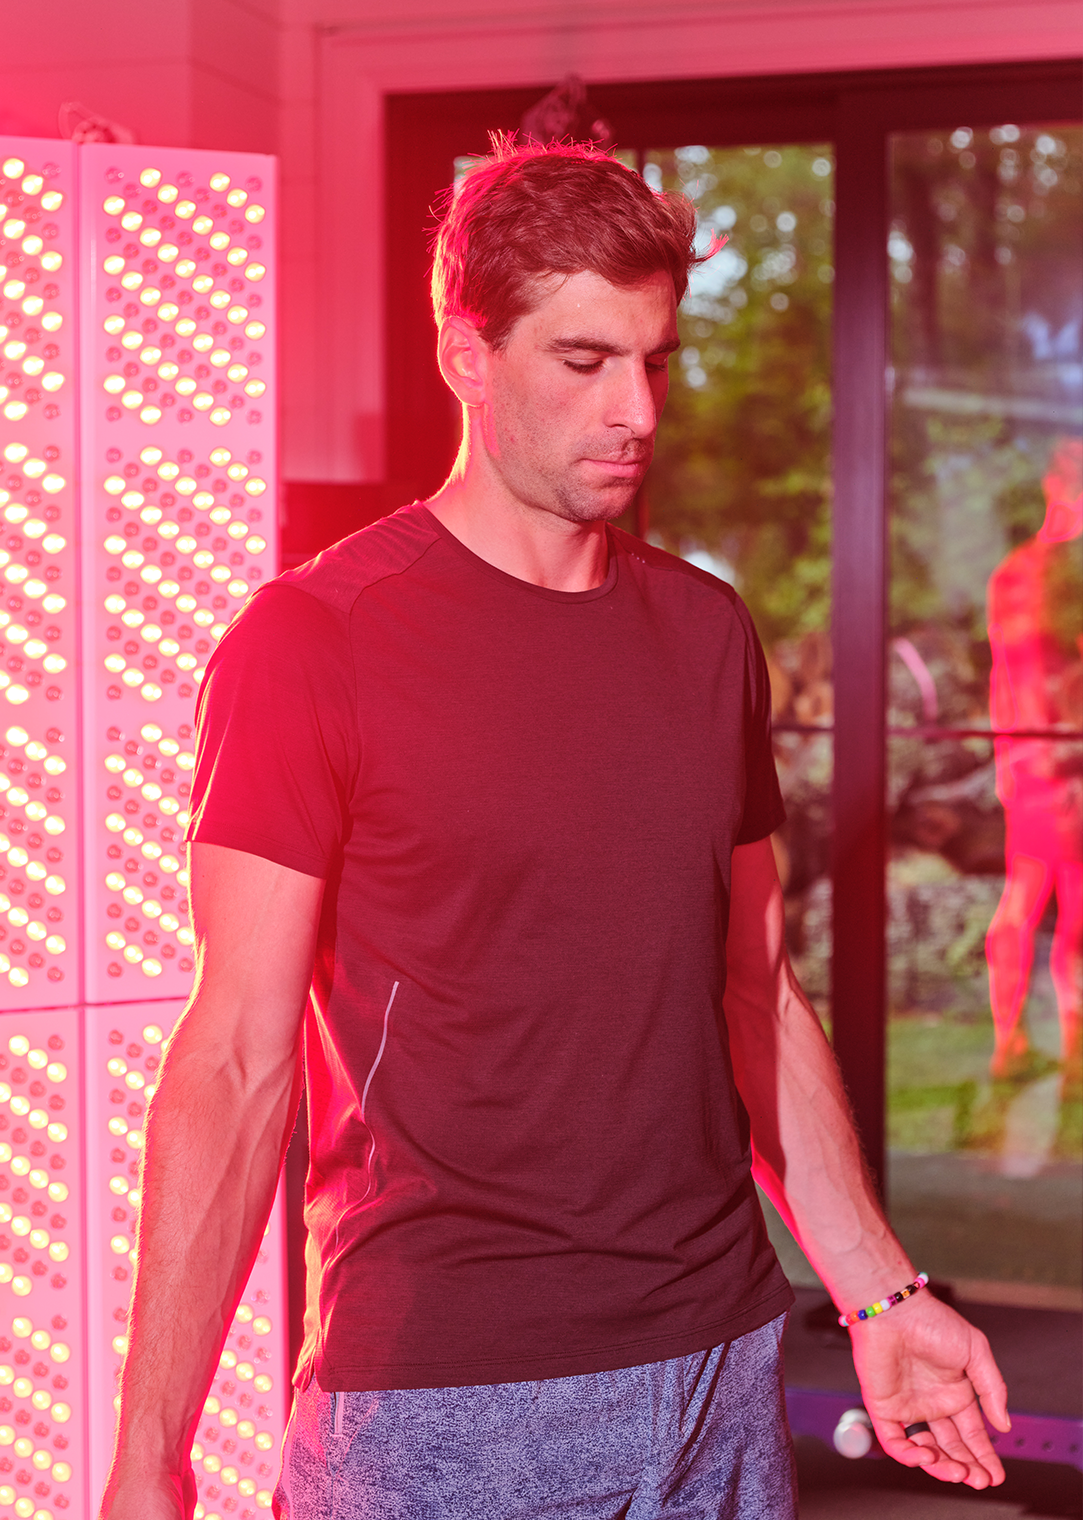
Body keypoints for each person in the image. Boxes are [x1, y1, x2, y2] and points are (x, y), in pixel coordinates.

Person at [101, 139, 1009, 1520]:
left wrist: (882, 1293)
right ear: (466, 356)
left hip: (717, 1366)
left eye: (653, 361)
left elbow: (754, 992)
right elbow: (233, 1060)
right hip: (449, 1400)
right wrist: (146, 1460)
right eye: (583, 362)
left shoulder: (706, 635)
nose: (633, 410)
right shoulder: (314, 642)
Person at [984, 439, 1082, 1096]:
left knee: (1028, 896)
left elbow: (1001, 675)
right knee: (1059, 899)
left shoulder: (1013, 572)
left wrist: (1005, 757)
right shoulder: (1055, 574)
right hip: (1060, 759)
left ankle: (1014, 1043)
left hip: (1031, 757)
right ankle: (1064, 1048)